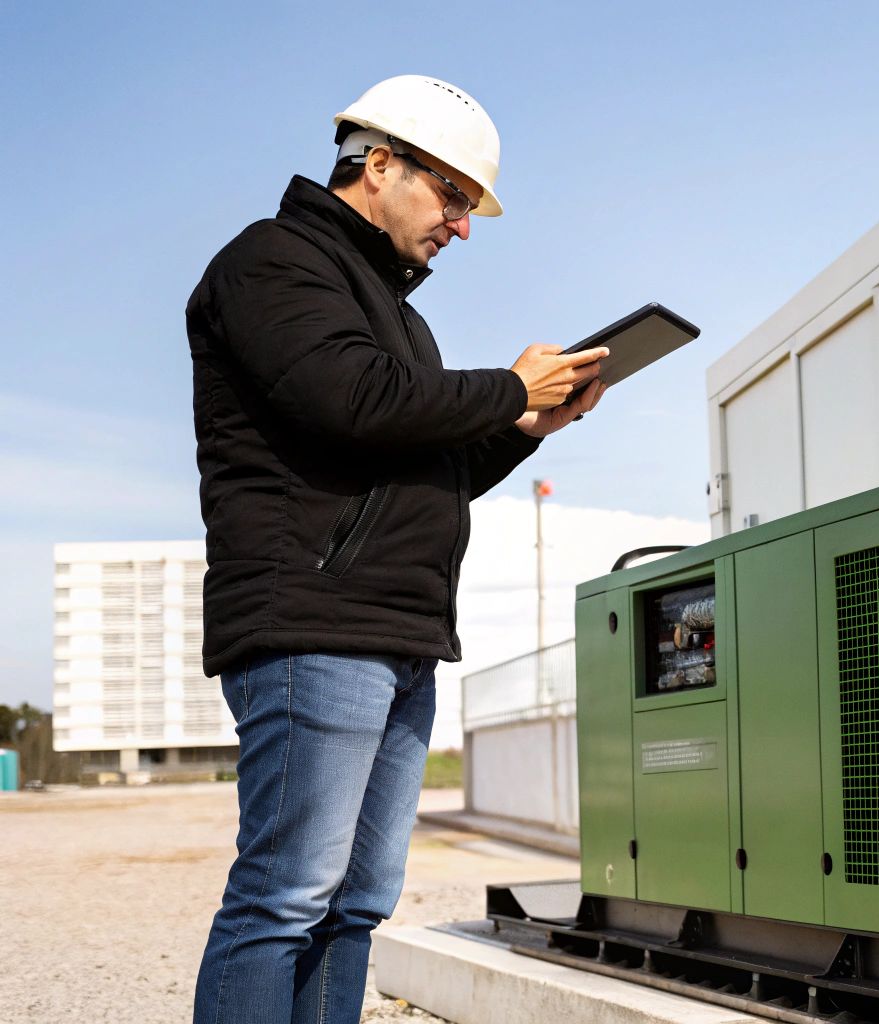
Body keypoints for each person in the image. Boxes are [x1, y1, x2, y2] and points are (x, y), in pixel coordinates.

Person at [186, 75, 605, 1024]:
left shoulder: (398, 316)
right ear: (378, 164)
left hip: (397, 634)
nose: (461, 227)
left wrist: (526, 425)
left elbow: (421, 463)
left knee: (355, 905)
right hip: (311, 624)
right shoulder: (273, 261)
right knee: (287, 896)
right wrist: (505, 385)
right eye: (453, 196)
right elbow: (351, 400)